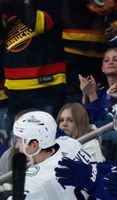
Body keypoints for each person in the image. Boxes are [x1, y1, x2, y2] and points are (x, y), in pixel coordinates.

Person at [1, 0, 66, 133]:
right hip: (14, 89)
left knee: (45, 141)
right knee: (16, 145)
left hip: (46, 87)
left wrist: (14, 3)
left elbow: (40, 24)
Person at [82, 47, 117, 127]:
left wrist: (92, 95)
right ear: (102, 68)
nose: (111, 62)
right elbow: (88, 122)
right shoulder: (100, 93)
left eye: (116, 60)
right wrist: (86, 96)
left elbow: (102, 125)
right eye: (106, 60)